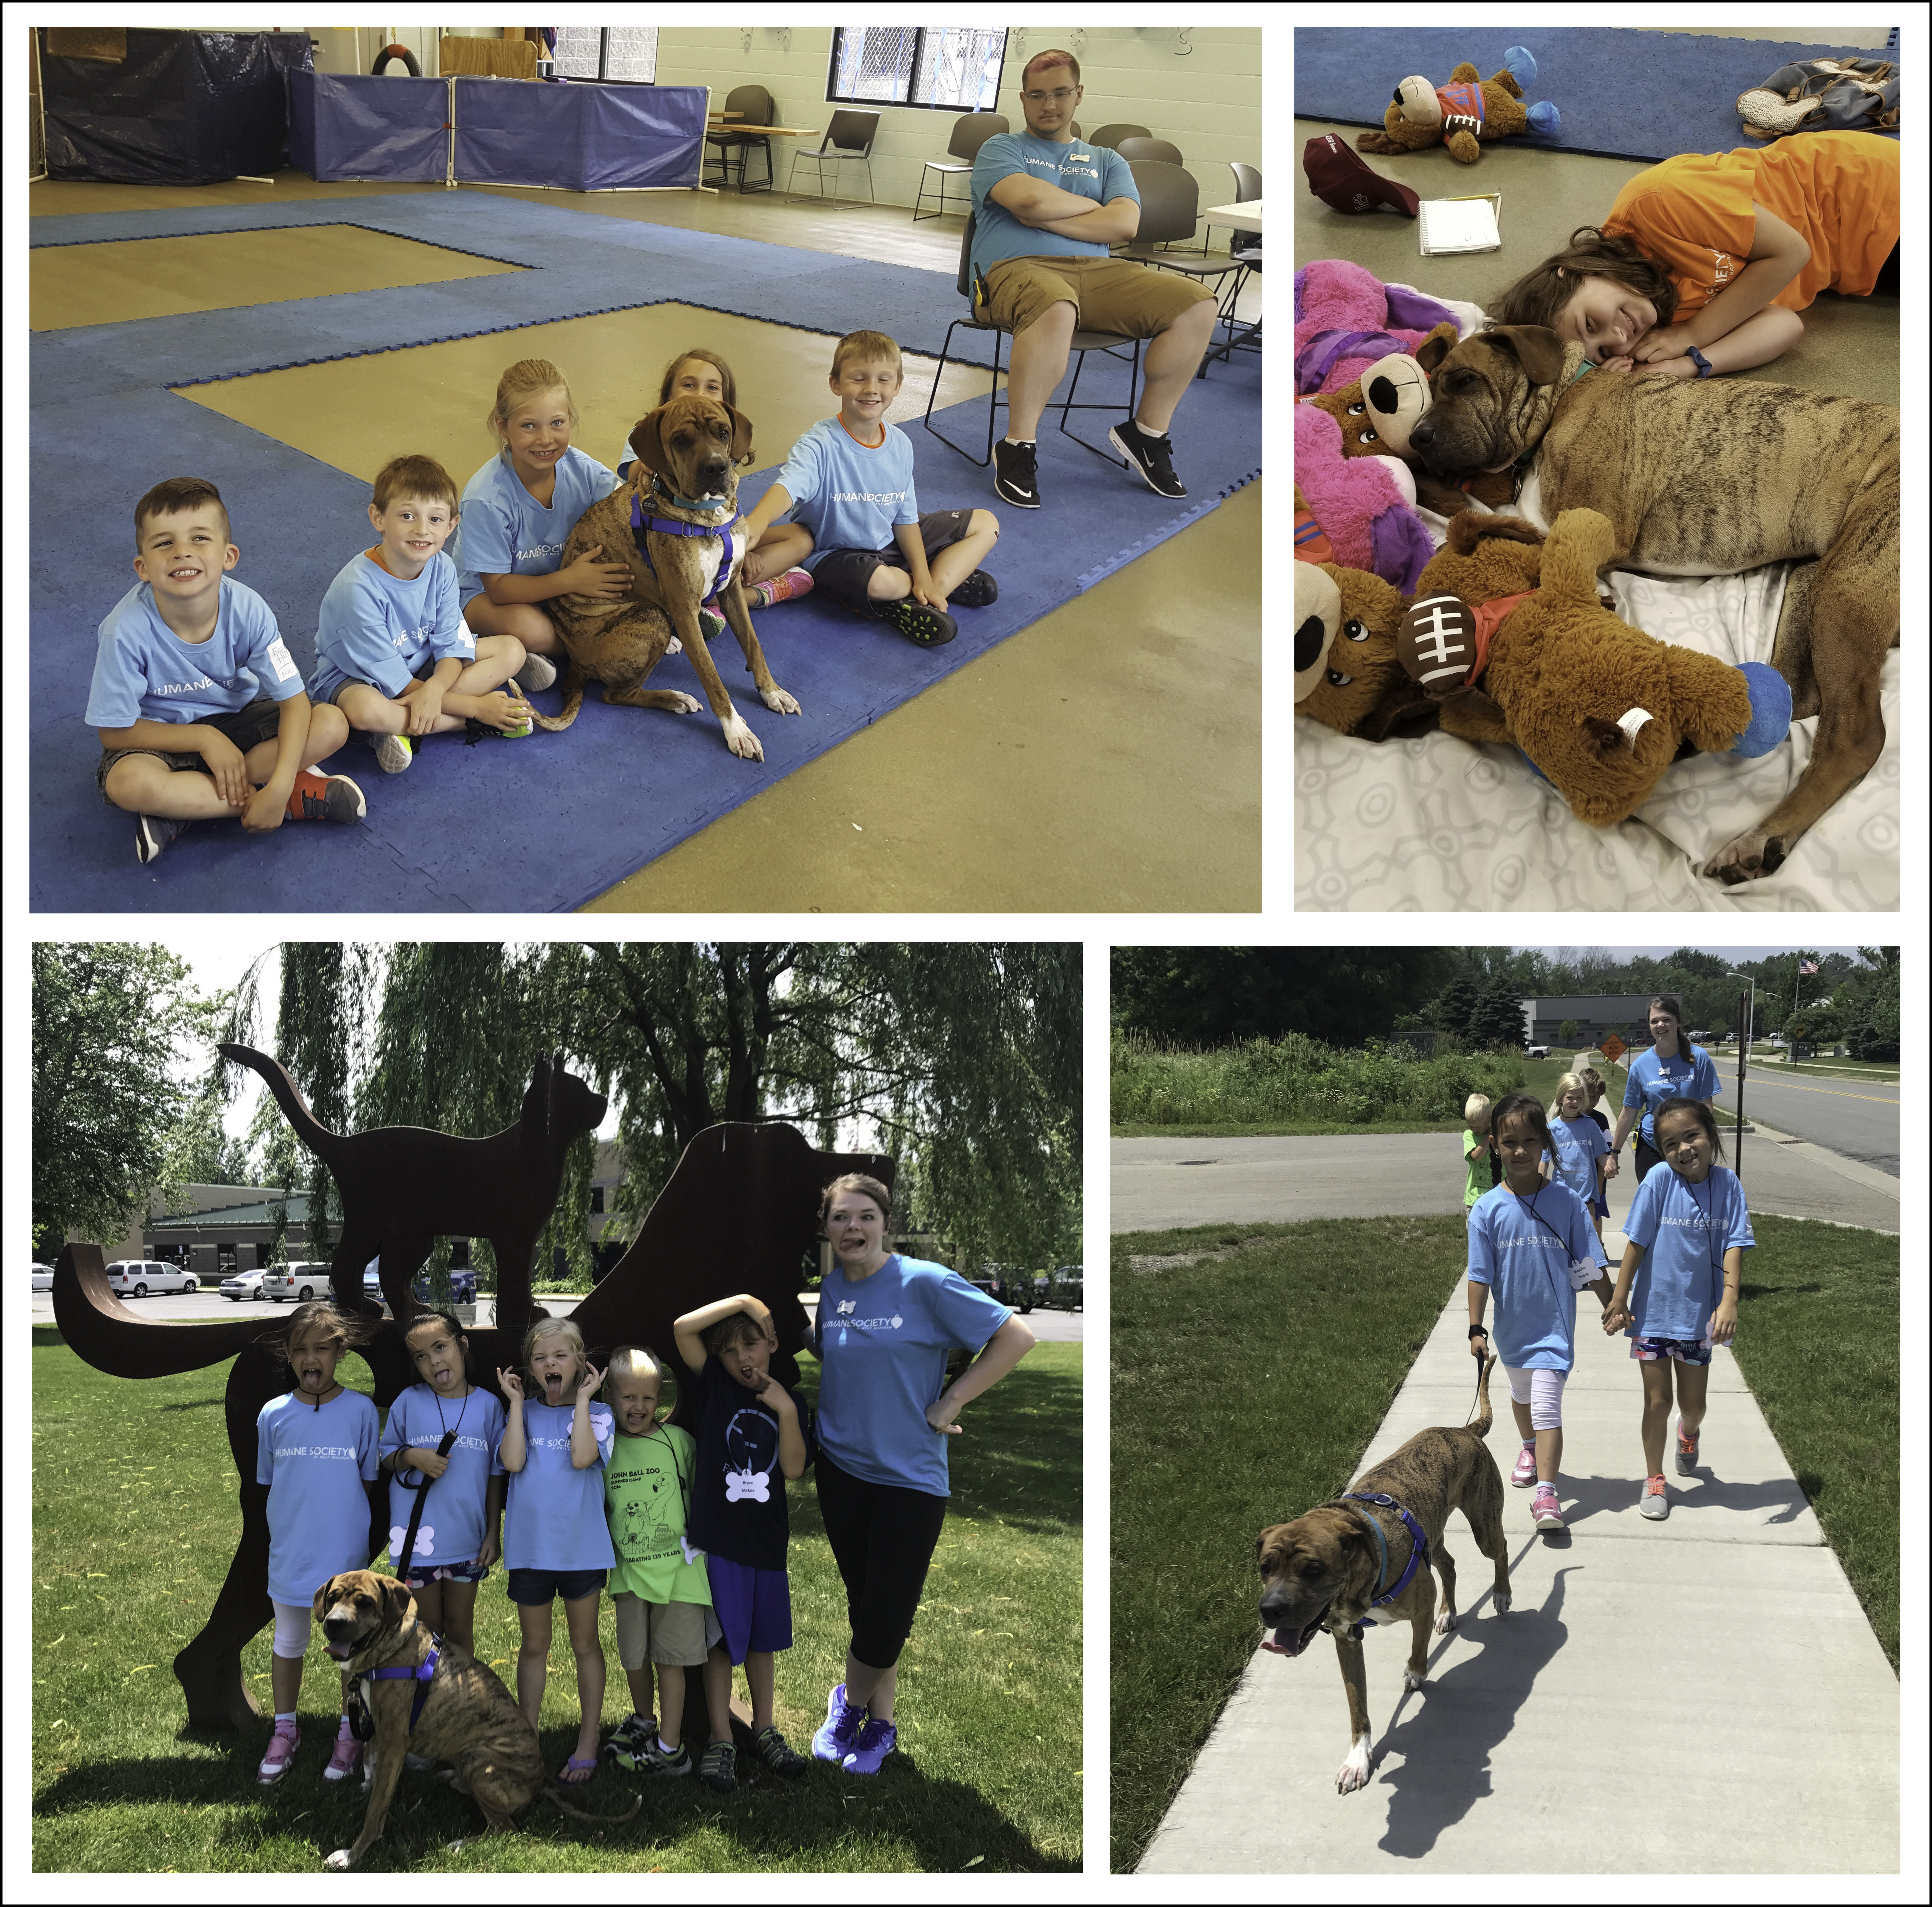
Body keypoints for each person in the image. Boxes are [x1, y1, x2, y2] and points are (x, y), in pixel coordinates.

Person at [808, 1173, 1036, 1776]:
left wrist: (953, 1399)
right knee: (867, 1607)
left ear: (885, 1223)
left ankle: (846, 1704)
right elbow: (840, 1356)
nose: (851, 1228)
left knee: (888, 1613)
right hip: (840, 1468)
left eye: (864, 1216)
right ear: (826, 1229)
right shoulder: (832, 1290)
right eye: (839, 1218)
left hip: (910, 1476)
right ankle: (879, 1728)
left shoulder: (925, 1282)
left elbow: (1016, 1336)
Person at [969, 47, 1219, 509]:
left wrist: (1048, 217)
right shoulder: (1001, 148)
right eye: (1038, 96)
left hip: (1099, 274)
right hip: (1012, 273)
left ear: (1078, 95)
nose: (1050, 105)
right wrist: (1089, 209)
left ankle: (1147, 434)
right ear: (1023, 100)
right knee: (1056, 302)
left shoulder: (1108, 160)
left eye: (1061, 93)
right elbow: (1027, 201)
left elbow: (1125, 225)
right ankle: (1017, 445)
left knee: (1198, 303)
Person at [90, 476, 364, 866]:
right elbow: (113, 730)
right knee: (128, 783)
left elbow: (295, 703)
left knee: (332, 723)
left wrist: (281, 778)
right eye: (164, 543)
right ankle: (279, 803)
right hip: (162, 740)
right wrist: (204, 739)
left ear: (228, 556)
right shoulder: (124, 631)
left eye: (200, 538)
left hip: (239, 722)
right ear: (143, 567)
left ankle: (185, 808)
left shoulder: (250, 609)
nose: (182, 552)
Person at [1493, 130, 1900, 377]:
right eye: (1601, 352)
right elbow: (1784, 325)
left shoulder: (1657, 201)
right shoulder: (1652, 312)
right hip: (1861, 258)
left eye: (1589, 323)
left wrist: (1692, 335)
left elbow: (1792, 252)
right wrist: (1685, 364)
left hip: (1866, 191)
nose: (1617, 338)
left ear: (1572, 273)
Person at [734, 328, 1001, 649]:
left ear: (899, 385)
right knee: (888, 583)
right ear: (836, 383)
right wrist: (759, 521)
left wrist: (923, 575)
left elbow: (906, 519)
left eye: (884, 380)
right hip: (835, 553)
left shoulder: (901, 444)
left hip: (888, 540)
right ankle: (926, 587)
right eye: (858, 378)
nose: (872, 389)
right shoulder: (819, 443)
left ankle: (929, 591)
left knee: (987, 524)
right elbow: (789, 485)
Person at [311, 454, 535, 776]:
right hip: (360, 678)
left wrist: (432, 691)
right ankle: (463, 723)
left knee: (511, 649)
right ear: (378, 518)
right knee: (364, 710)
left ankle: (408, 723)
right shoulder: (357, 590)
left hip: (421, 663)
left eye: (435, 519)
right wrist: (477, 709)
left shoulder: (443, 567)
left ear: (451, 526)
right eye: (407, 516)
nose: (422, 530)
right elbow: (398, 684)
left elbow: (450, 647)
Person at [671, 1293, 815, 1793]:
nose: (742, 1359)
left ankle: (765, 1729)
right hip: (720, 1541)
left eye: (752, 1345)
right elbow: (683, 1328)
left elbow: (795, 1469)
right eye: (729, 1351)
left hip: (767, 1542)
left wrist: (786, 1413)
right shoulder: (714, 1384)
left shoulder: (790, 1402)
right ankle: (720, 1738)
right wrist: (746, 1302)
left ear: (772, 1344)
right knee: (719, 1644)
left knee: (761, 1642)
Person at [1466, 1093, 1616, 1533]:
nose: (1520, 1151)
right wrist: (1476, 1327)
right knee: (1523, 1397)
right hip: (1512, 1331)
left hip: (1554, 1330)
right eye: (1510, 1141)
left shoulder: (1567, 1203)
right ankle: (1529, 1446)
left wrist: (1612, 1307)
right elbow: (1479, 1275)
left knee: (1548, 1406)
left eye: (1531, 1141)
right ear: (1495, 1144)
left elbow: (1591, 1260)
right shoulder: (1487, 1210)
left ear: (1544, 1144)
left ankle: (1546, 1495)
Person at [253, 1301, 382, 1786]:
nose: (312, 1358)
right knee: (289, 1641)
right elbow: (272, 1480)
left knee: (349, 1651)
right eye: (301, 1349)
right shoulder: (273, 1415)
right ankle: (285, 1730)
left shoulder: (362, 1411)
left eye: (323, 1349)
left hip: (344, 1561)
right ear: (288, 1354)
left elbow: (365, 1481)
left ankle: (350, 1732)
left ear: (340, 1352)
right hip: (290, 1550)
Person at [1604, 1098, 1752, 1521]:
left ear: (1710, 1134)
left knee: (1693, 1405)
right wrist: (1620, 1296)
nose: (1684, 1149)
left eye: (1692, 1136)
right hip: (1653, 1314)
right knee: (1657, 1402)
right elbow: (1637, 1242)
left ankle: (1689, 1435)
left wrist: (1729, 1300)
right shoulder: (1657, 1182)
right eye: (1671, 1144)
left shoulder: (1729, 1186)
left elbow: (1735, 1244)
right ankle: (1655, 1478)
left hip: (1696, 1319)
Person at [454, 357, 629, 686]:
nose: (545, 439)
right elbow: (500, 588)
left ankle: (524, 656)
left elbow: (628, 504)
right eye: (529, 426)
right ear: (503, 426)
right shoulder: (487, 497)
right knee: (529, 628)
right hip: (484, 597)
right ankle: (499, 650)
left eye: (557, 423)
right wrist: (572, 582)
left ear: (571, 420)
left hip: (555, 587)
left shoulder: (582, 471)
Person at [497, 1318, 613, 1787]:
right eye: (541, 1358)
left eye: (561, 1356)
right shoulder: (522, 1411)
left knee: (585, 1644)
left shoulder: (599, 1413)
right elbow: (514, 1462)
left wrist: (582, 1400)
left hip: (581, 1551)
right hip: (530, 1552)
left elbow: (583, 1457)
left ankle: (589, 1740)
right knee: (534, 1647)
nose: (551, 1364)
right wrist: (518, 1406)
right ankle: (527, 1738)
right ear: (529, 1368)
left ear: (581, 1362)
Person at [612, 347, 814, 610]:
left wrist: (739, 550)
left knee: (801, 537)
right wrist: (665, 453)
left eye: (712, 387)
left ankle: (725, 589)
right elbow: (634, 475)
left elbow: (726, 509)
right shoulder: (652, 430)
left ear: (725, 402)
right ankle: (753, 596)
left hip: (717, 533)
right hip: (673, 544)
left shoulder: (723, 437)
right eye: (689, 385)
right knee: (685, 579)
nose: (700, 394)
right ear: (668, 395)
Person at [600, 1345, 709, 1779]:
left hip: (680, 1576)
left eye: (648, 1398)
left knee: (671, 1661)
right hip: (629, 1573)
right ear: (610, 1394)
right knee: (633, 1657)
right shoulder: (603, 1448)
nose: (638, 1407)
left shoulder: (678, 1442)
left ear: (661, 1396)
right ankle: (644, 1721)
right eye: (628, 1397)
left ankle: (670, 1746)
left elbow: (699, 1501)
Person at [378, 1308, 506, 1656]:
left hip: (468, 1539)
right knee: (427, 1630)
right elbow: (385, 1454)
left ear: (461, 1345)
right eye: (421, 1356)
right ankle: (428, 1704)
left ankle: (462, 1706)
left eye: (440, 1347)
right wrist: (413, 1456)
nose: (433, 1362)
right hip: (418, 1541)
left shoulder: (490, 1406)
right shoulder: (409, 1401)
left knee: (461, 1629)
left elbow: (496, 1474)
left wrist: (494, 1531)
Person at [1610, 996, 1720, 1184]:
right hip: (1653, 1147)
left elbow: (1706, 1108)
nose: (1660, 1025)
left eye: (1666, 1019)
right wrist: (1614, 1153)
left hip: (1689, 1148)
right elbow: (1628, 1113)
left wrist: (1708, 1145)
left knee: (1689, 1205)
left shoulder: (1699, 1058)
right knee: (1654, 1207)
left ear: (1678, 1022)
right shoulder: (1640, 1066)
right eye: (1655, 1021)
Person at [1549, 1072, 1611, 1247]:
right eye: (1570, 1098)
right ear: (1561, 1099)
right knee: (1564, 1242)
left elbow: (1602, 1153)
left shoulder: (1592, 1124)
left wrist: (1608, 1167)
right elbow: (1543, 1160)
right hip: (1562, 1194)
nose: (1575, 1102)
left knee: (1589, 1243)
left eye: (1580, 1098)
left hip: (1588, 1192)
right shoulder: (1552, 1129)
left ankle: (1594, 1267)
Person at [1461, 1094, 1492, 1221]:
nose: (1474, 1130)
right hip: (1475, 1197)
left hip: (1495, 1193)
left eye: (1478, 1127)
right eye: (1471, 1126)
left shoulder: (1499, 1135)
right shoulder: (1469, 1136)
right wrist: (1490, 1137)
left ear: (1489, 1120)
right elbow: (1476, 1156)